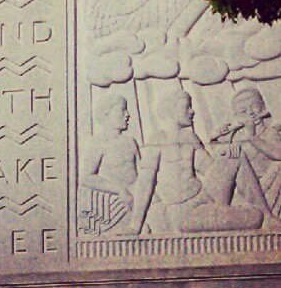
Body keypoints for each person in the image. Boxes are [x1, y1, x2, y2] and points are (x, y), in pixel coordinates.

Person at [126, 90, 278, 235]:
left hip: (205, 198)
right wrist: (135, 226)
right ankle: (257, 216)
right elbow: (145, 182)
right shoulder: (158, 139)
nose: (192, 111)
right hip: (184, 212)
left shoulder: (189, 137)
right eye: (186, 107)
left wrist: (220, 144)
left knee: (233, 155)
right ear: (171, 110)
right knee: (254, 217)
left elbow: (211, 170)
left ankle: (268, 216)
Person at [79, 93, 141, 234]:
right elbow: (86, 177)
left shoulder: (130, 142)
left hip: (135, 199)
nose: (127, 115)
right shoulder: (98, 142)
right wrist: (119, 190)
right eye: (122, 110)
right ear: (106, 115)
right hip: (114, 203)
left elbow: (141, 174)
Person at [213, 89, 281, 216]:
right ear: (236, 117)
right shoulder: (235, 136)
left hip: (271, 187)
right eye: (243, 111)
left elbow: (278, 154)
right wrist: (217, 140)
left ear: (263, 107)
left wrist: (252, 137)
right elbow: (217, 165)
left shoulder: (270, 131)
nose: (250, 112)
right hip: (247, 193)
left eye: (254, 106)